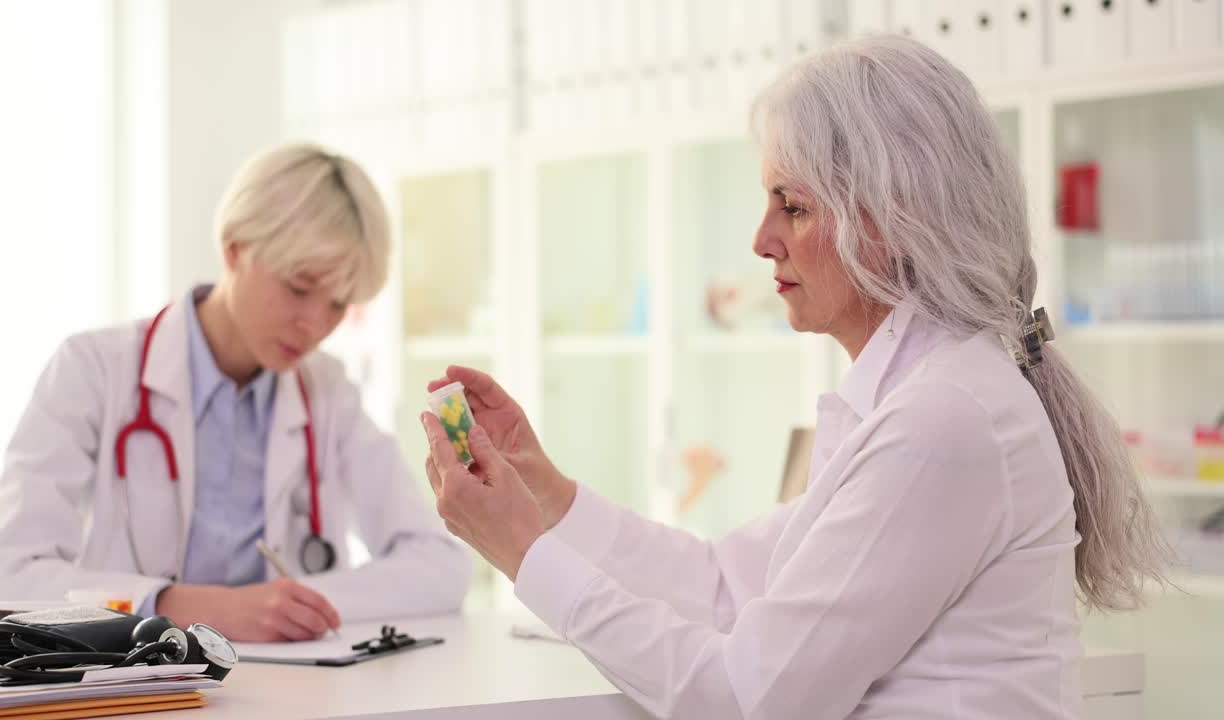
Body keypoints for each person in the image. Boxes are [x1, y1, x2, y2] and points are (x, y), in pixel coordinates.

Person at [420, 36, 1170, 719]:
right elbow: (722, 585)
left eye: (794, 206)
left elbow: (748, 699)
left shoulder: (946, 421)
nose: (761, 240)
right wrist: (544, 495)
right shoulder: (915, 401)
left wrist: (523, 551)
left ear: (892, 221)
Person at [0, 143, 470, 642]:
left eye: (339, 304)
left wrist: (291, 607)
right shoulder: (93, 370)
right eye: (300, 288)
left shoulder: (327, 392)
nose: (315, 324)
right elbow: (8, 581)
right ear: (234, 247)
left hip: (291, 691)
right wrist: (177, 607)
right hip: (131, 688)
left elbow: (439, 568)